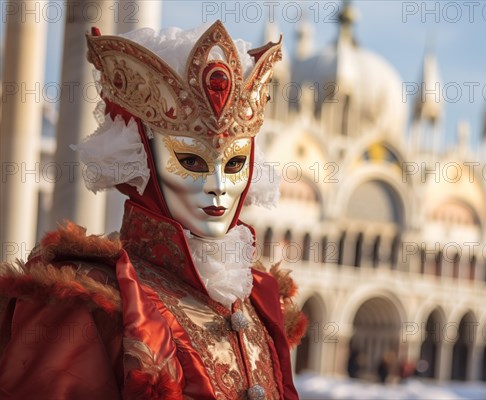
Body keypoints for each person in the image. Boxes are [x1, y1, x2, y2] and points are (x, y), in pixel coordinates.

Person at [0, 20, 306, 399]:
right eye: (191, 161)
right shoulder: (94, 301)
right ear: (140, 160)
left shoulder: (259, 300)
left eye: (233, 164)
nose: (218, 185)